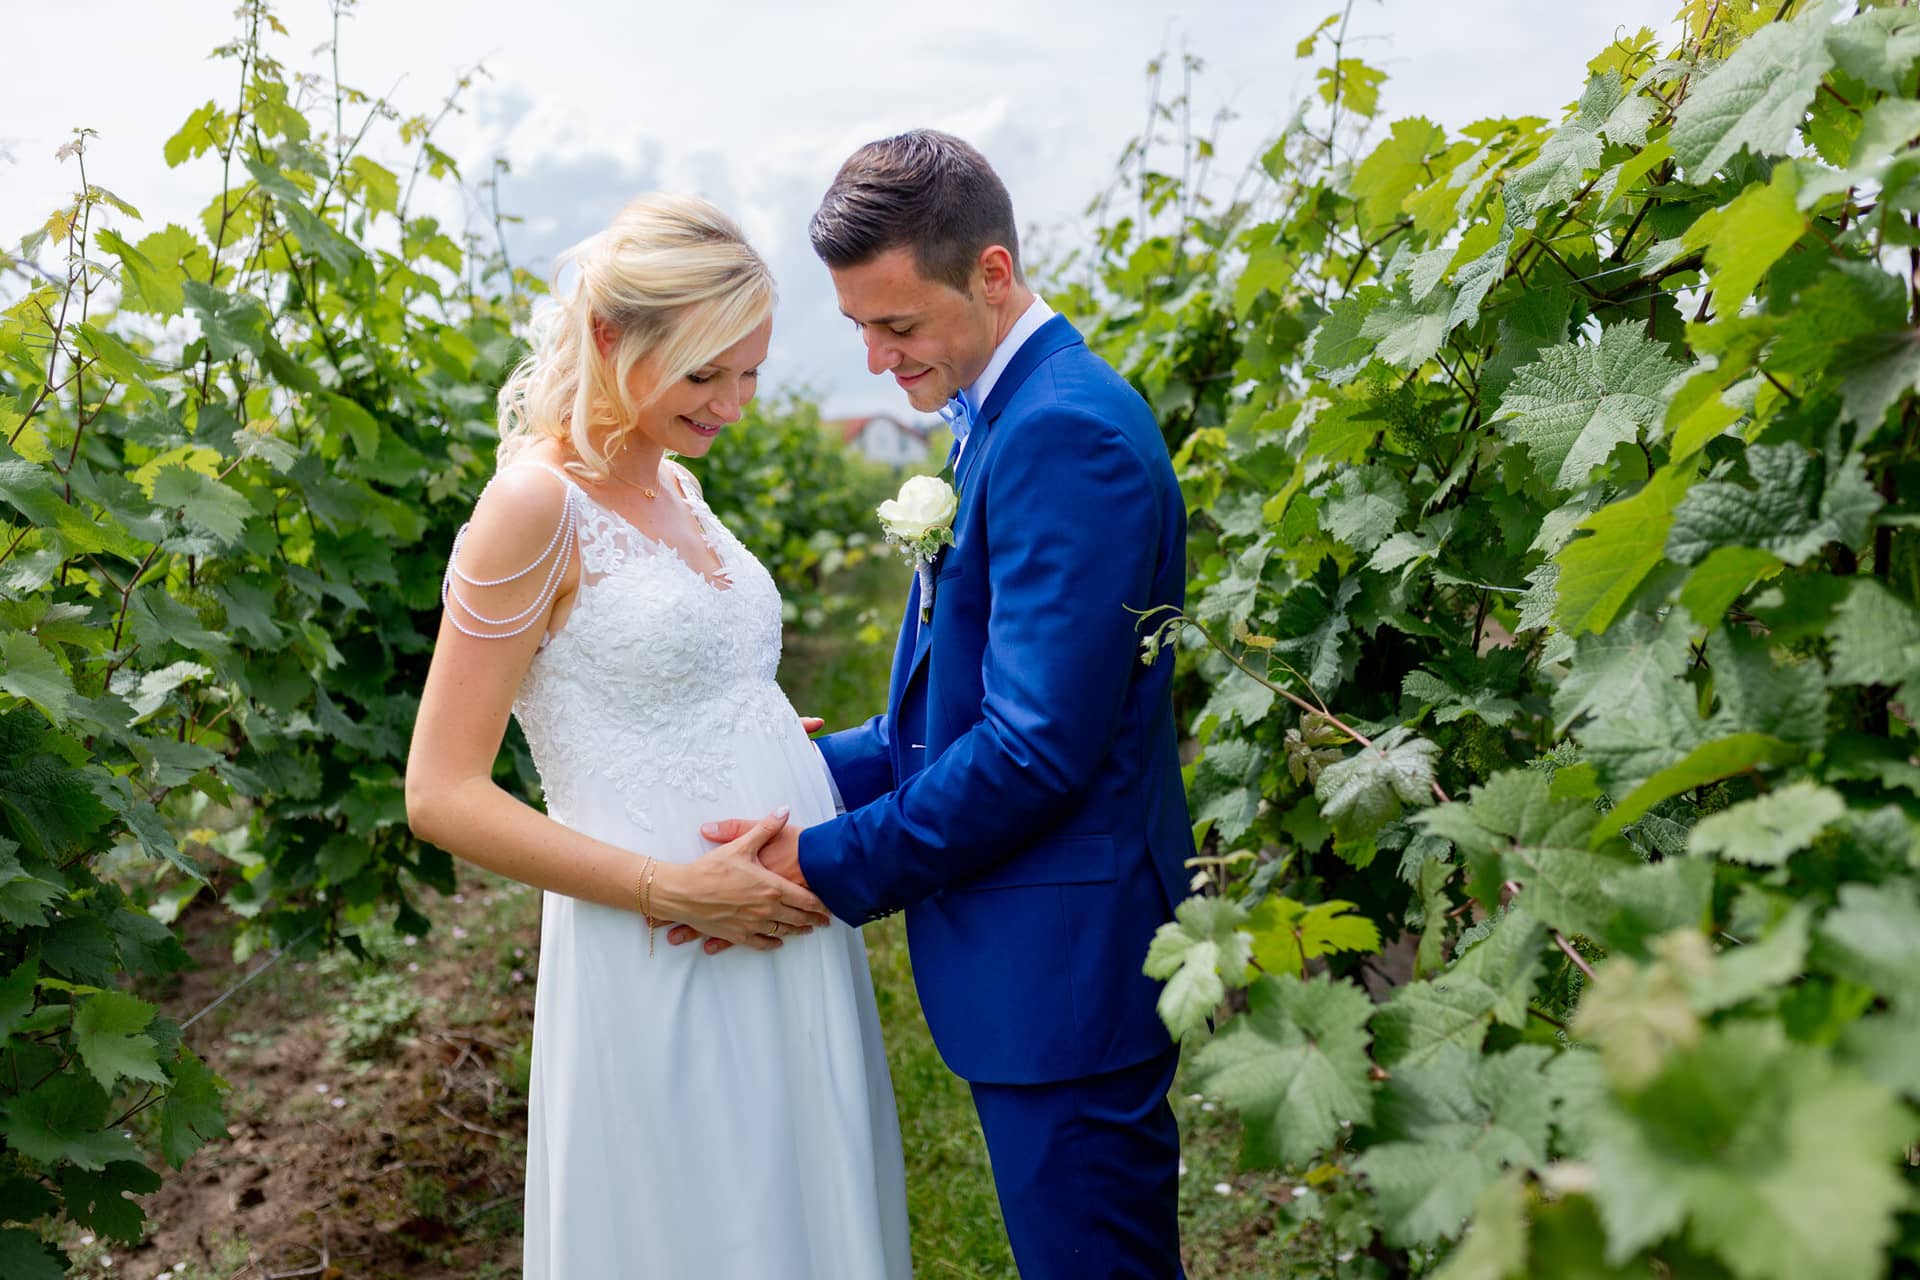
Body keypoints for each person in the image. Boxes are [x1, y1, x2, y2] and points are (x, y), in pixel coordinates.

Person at [689, 131, 1193, 1278]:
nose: (873, 358)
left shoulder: (1063, 433)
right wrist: (795, 768)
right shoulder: (1010, 412)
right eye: (860, 325)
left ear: (994, 273)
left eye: (897, 324)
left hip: (1068, 965)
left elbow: (1033, 749)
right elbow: (953, 718)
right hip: (1047, 953)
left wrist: (819, 864)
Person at [404, 193, 912, 1279]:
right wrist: (668, 888)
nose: (731, 403)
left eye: (751, 375)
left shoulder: (676, 481)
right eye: (703, 373)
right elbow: (440, 790)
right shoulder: (531, 507)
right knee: (702, 1221)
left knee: (798, 1204)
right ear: (608, 337)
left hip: (783, 915)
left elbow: (679, 680)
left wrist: (757, 733)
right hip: (666, 939)